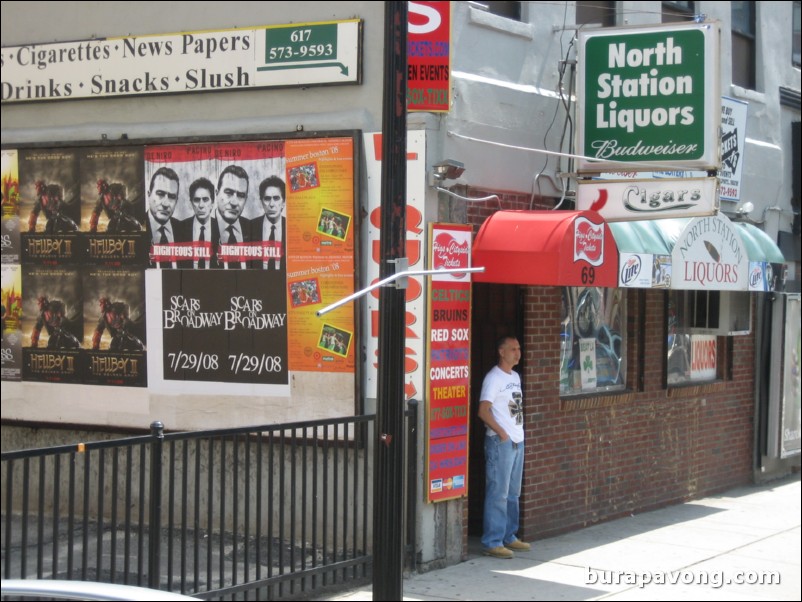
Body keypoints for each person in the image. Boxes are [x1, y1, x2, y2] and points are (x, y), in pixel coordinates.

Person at [478, 336, 530, 559]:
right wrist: (501, 434)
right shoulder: (493, 378)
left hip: (517, 440)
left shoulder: (515, 376)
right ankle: (493, 541)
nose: (517, 353)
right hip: (502, 442)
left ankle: (509, 536)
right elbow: (483, 410)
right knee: (498, 492)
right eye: (513, 349)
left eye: (518, 348)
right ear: (501, 352)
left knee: (512, 492)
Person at [214, 165, 252, 269]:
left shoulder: (253, 229)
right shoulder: (202, 229)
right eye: (229, 193)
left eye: (240, 195)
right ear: (216, 194)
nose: (234, 202)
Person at [176, 177, 219, 269]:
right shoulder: (180, 228)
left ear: (212, 203)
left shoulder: (220, 227)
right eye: (196, 200)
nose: (201, 205)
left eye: (205, 199)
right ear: (191, 203)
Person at [145, 167, 180, 268]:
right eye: (160, 194)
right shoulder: (136, 228)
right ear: (149, 194)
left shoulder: (183, 230)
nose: (165, 203)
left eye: (172, 197)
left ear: (176, 200)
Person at [253, 175, 286, 270]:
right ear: (261, 202)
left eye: (276, 198)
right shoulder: (251, 226)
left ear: (283, 202)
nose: (271, 204)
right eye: (267, 198)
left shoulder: (291, 227)